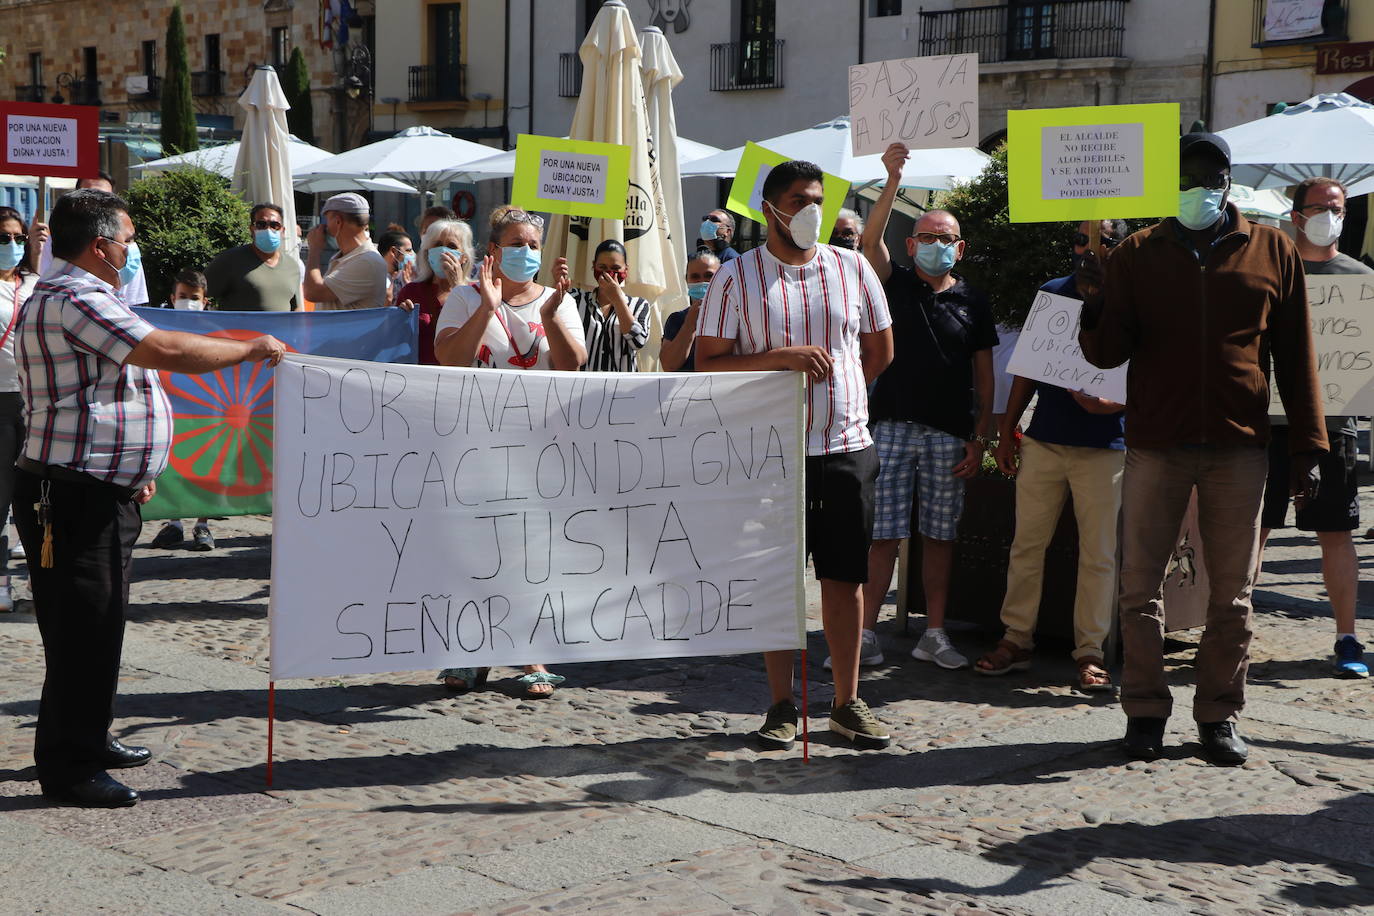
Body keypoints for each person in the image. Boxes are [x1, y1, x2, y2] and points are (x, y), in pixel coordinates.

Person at [15, 189, 285, 807]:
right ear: (101, 245)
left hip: (95, 487)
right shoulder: (77, 297)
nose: (133, 249)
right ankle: (69, 765)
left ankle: (90, 734)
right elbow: (162, 350)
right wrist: (250, 347)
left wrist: (140, 462)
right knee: (83, 629)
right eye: (129, 239)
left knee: (97, 625)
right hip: (74, 493)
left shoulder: (79, 296)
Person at [1078, 132, 1327, 766]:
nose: (1195, 189)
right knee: (1139, 589)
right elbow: (1107, 353)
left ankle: (1219, 714)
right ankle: (1144, 710)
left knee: (1232, 595)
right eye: (1183, 179)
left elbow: (1297, 357)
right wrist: (1095, 299)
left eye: (1206, 177)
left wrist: (1308, 446)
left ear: (1226, 180)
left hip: (1239, 447)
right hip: (1157, 444)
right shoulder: (1138, 251)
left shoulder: (1272, 247)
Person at [696, 160, 894, 751]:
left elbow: (879, 353)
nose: (811, 210)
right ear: (770, 209)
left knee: (845, 577)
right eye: (800, 199)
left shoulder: (853, 267)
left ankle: (846, 701)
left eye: (819, 199)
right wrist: (778, 359)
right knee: (778, 580)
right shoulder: (737, 278)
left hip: (844, 447)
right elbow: (707, 364)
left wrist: (841, 401)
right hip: (770, 454)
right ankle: (782, 703)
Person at [431, 205, 586, 698]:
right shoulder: (463, 297)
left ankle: (530, 652)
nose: (525, 253)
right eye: (515, 244)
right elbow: (450, 358)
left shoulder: (560, 300)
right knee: (475, 550)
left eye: (534, 245)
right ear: (494, 251)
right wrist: (486, 306)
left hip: (538, 448)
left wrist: (548, 314)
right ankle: (468, 650)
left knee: (527, 552)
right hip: (474, 444)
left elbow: (572, 367)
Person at [858, 142, 998, 673]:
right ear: (911, 244)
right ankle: (866, 633)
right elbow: (870, 241)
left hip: (949, 433)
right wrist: (891, 178)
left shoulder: (973, 299)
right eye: (928, 238)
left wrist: (980, 437)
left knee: (940, 536)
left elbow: (983, 374)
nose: (936, 246)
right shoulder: (893, 286)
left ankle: (933, 633)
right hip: (891, 427)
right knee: (883, 535)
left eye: (947, 239)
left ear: (959, 249)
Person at [975, 221, 1129, 691]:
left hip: (1106, 448)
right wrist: (1007, 432)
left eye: (1100, 239)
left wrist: (1112, 405)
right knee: (1026, 546)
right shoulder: (1053, 291)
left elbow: (1150, 372)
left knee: (1098, 556)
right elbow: (1027, 368)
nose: (1088, 248)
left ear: (1118, 246)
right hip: (1045, 441)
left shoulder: (1135, 296)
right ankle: (1016, 639)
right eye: (1082, 239)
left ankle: (1089, 652)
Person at [1256, 176, 1372, 678]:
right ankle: (1232, 630)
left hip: (1333, 423)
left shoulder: (1361, 278)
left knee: (1336, 529)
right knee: (1251, 532)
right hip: (1266, 423)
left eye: (1339, 207)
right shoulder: (1271, 271)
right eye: (1322, 206)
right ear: (1296, 214)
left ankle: (1347, 637)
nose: (1331, 215)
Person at [148, 270, 218, 551]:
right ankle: (173, 523)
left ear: (205, 301)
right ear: (172, 298)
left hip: (205, 409)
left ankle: (202, 525)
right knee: (171, 462)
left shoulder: (214, 329)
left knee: (205, 464)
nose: (188, 302)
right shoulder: (162, 329)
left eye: (194, 298)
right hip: (171, 406)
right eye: (182, 297)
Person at [30, 171, 149, 306]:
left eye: (105, 198)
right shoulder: (80, 298)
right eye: (90, 196)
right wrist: (35, 252)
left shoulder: (126, 248)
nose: (97, 204)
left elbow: (134, 305)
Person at [0, 206, 37, 612]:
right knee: (1, 498)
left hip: (33, 401)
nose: (10, 245)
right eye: (1, 238)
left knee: (34, 496)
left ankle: (41, 582)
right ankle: (1, 583)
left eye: (16, 237)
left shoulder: (35, 284)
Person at [395, 218, 475, 366]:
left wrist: (458, 286)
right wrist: (399, 318)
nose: (444, 252)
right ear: (428, 253)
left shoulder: (476, 294)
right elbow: (395, 340)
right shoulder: (411, 292)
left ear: (464, 257)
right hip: (421, 379)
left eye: (451, 246)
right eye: (438, 245)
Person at [571, 239, 652, 372]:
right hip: (584, 384)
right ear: (593, 266)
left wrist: (618, 300)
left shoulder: (639, 305)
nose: (608, 273)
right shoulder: (576, 300)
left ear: (626, 269)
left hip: (622, 388)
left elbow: (638, 341)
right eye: (602, 267)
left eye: (615, 268)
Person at [204, 203, 302, 312]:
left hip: (281, 329)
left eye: (274, 225)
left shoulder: (292, 265)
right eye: (261, 224)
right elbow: (198, 295)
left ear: (282, 231)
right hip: (238, 329)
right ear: (252, 229)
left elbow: (296, 309)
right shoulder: (229, 261)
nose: (268, 229)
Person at [303, 193, 390, 310]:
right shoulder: (348, 256)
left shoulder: (367, 261)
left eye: (326, 220)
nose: (324, 227)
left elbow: (313, 292)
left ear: (338, 222)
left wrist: (314, 249)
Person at [660, 251, 718, 372]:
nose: (702, 282)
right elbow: (668, 366)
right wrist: (689, 325)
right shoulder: (677, 319)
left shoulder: (736, 317)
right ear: (687, 281)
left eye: (709, 276)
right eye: (695, 277)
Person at [378, 228, 415, 306]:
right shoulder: (377, 281)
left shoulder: (405, 276)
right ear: (394, 252)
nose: (413, 255)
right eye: (408, 250)